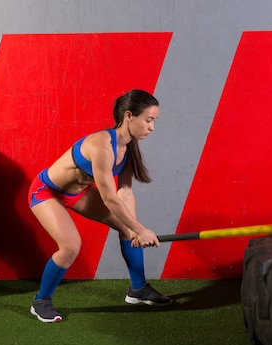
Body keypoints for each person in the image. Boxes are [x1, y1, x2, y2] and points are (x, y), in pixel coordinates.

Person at [27, 89, 173, 323]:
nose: (151, 128)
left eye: (153, 121)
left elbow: (124, 191)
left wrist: (135, 229)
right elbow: (109, 198)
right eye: (148, 120)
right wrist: (141, 229)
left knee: (127, 230)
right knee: (71, 246)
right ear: (129, 116)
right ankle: (41, 301)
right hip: (47, 191)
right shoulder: (101, 145)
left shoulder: (129, 148)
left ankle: (138, 290)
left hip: (78, 193)